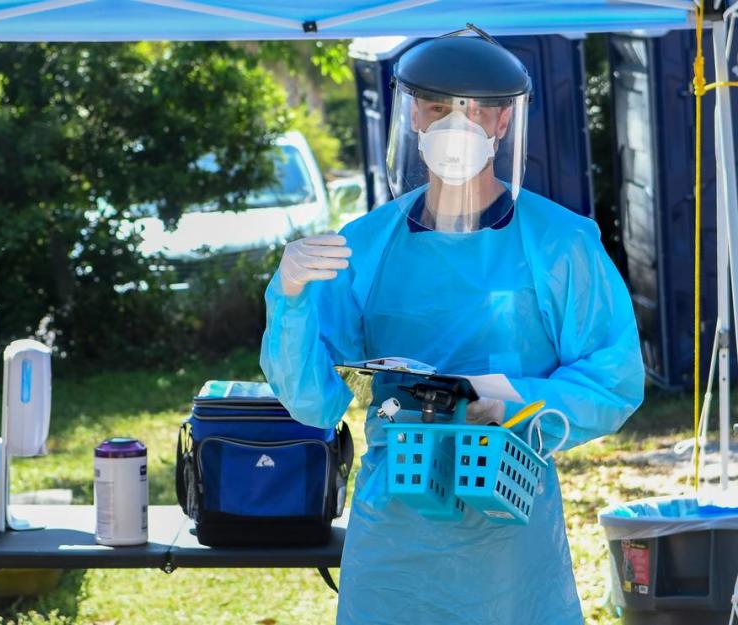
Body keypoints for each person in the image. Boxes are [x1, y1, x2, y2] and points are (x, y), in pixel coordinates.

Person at [260, 28, 644, 625]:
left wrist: (508, 399)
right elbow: (314, 401)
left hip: (505, 522)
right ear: (411, 112)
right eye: (438, 106)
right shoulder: (364, 245)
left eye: (475, 110)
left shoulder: (559, 243)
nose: (454, 126)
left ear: (502, 122)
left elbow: (614, 378)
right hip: (394, 526)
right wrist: (289, 299)